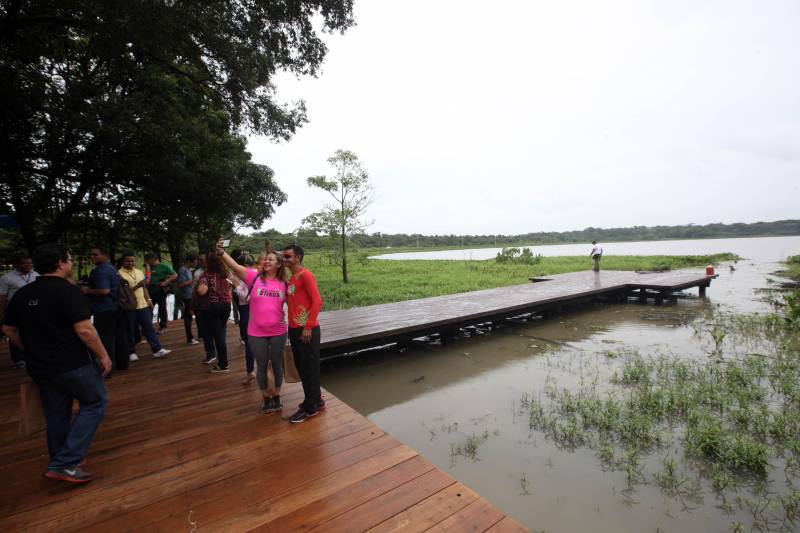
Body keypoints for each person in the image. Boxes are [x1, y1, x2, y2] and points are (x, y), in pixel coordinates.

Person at [1, 244, 112, 483]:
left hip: (40, 366)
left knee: (56, 413)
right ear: (61, 263)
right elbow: (85, 329)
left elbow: (8, 328)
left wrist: (29, 347)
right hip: (73, 363)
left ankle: (61, 459)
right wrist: (103, 355)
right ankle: (66, 461)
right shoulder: (68, 291)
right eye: (69, 259)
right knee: (95, 403)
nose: (71, 263)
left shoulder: (23, 294)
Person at [219, 242, 288, 412]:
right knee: (262, 365)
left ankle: (277, 396)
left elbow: (297, 302)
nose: (266, 261)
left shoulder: (285, 283)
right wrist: (221, 252)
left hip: (278, 331)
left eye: (271, 259)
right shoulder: (253, 277)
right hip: (256, 332)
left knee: (277, 364)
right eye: (265, 259)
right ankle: (266, 398)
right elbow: (234, 266)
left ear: (279, 264)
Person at [282, 244, 324, 423]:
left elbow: (317, 301)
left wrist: (308, 326)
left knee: (309, 368)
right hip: (295, 328)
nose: (284, 259)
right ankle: (317, 400)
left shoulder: (305, 274)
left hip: (306, 329)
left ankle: (310, 407)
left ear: (298, 257)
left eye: (288, 256)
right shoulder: (293, 278)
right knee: (303, 366)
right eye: (283, 256)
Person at [80, 248, 128, 374]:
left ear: (105, 255)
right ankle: (122, 363)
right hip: (118, 307)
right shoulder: (112, 268)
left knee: (106, 339)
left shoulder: (101, 270)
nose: (92, 257)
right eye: (91, 254)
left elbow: (104, 290)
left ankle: (108, 369)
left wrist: (87, 290)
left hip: (105, 309)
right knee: (119, 336)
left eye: (95, 254)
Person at [118, 252, 171, 360]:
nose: (131, 263)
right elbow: (123, 292)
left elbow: (144, 287)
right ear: (123, 262)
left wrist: (149, 299)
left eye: (132, 261)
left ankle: (157, 349)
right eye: (128, 261)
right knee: (130, 329)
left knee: (149, 328)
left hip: (143, 305)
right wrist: (138, 285)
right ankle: (131, 352)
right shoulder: (119, 274)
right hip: (129, 306)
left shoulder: (138, 272)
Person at [0, 255, 39, 368]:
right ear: (18, 264)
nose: (29, 266)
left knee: (33, 333)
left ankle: (33, 355)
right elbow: (2, 297)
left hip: (34, 309)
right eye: (25, 263)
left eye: (31, 263)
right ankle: (19, 359)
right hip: (16, 310)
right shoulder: (7, 278)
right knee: (16, 333)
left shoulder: (35, 274)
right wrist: (2, 314)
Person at [196, 253, 232, 372]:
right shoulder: (225, 273)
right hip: (226, 306)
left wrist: (198, 287)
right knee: (220, 331)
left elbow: (202, 291)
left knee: (219, 336)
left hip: (214, 307)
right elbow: (232, 284)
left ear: (208, 262)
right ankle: (222, 361)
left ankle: (223, 364)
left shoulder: (205, 274)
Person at [231, 252, 257, 384]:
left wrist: (236, 286)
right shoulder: (261, 273)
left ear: (245, 266)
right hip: (259, 311)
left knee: (249, 342)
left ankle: (250, 371)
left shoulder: (241, 276)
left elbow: (245, 297)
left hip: (248, 311)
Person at [144, 253, 177, 332]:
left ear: (152, 260)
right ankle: (148, 327)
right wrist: (147, 271)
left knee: (162, 307)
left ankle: (163, 325)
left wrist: (166, 282)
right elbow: (146, 280)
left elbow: (175, 275)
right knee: (149, 308)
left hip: (160, 289)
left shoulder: (163, 266)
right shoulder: (148, 267)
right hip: (150, 289)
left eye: (147, 261)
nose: (146, 262)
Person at [177, 254, 199, 345]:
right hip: (187, 297)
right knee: (188, 317)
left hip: (192, 296)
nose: (196, 263)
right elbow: (181, 285)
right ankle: (190, 338)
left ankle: (196, 336)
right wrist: (192, 280)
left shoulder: (189, 270)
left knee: (191, 315)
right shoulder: (183, 270)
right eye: (194, 261)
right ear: (189, 261)